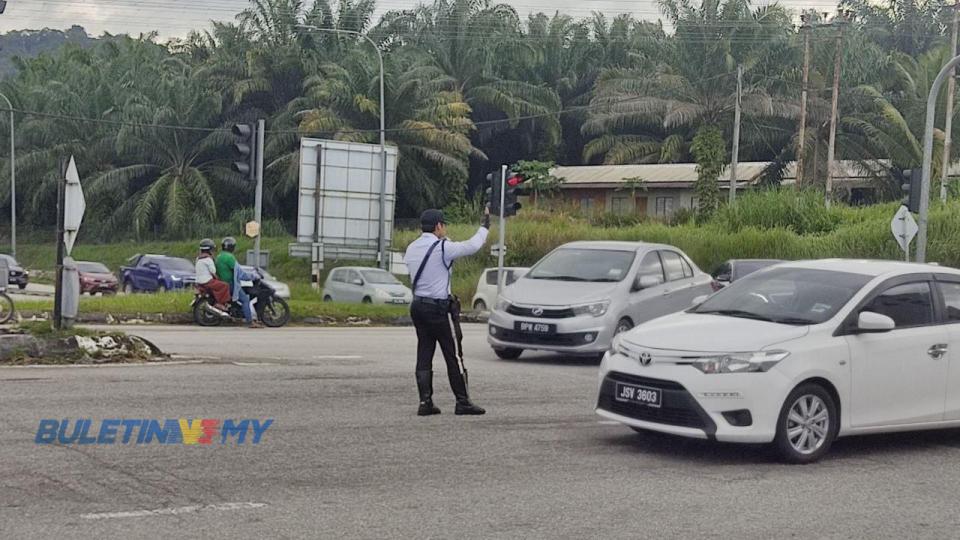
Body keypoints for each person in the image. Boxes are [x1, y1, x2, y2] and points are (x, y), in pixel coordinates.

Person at [404, 207, 490, 416]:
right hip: (439, 308)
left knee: (424, 352)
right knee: (453, 354)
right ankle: (462, 401)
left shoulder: (411, 248)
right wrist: (484, 227)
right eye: (444, 225)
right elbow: (472, 245)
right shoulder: (443, 248)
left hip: (418, 306)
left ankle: (425, 402)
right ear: (439, 226)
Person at [216, 237, 263, 328]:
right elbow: (240, 273)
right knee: (245, 300)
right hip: (231, 284)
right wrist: (252, 276)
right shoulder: (229, 257)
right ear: (232, 247)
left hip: (223, 283)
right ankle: (250, 322)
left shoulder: (219, 256)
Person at [195, 238, 231, 311]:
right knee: (225, 285)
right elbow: (213, 271)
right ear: (209, 250)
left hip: (198, 281)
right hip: (207, 281)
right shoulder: (208, 259)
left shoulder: (198, 258)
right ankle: (220, 303)